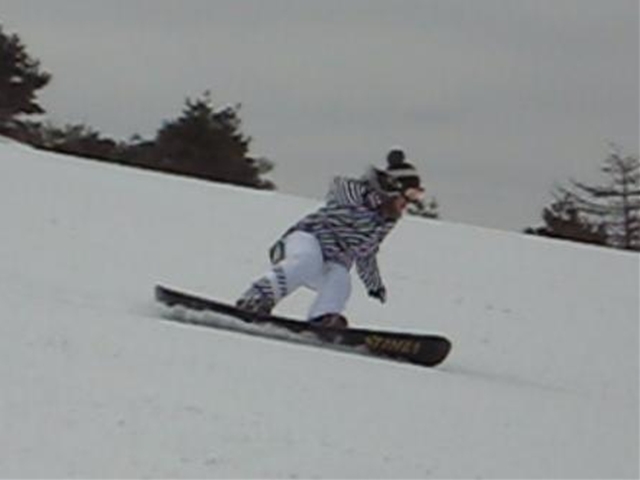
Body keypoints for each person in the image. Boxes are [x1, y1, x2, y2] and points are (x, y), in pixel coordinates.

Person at [235, 148, 424, 328]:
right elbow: (339, 191)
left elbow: (366, 253)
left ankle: (323, 317)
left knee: (340, 278)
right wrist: (368, 203)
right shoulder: (355, 196)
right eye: (410, 194)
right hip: (304, 239)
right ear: (392, 188)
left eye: (416, 196)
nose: (410, 202)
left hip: (331, 260)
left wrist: (374, 285)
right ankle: (256, 298)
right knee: (307, 260)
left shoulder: (386, 220)